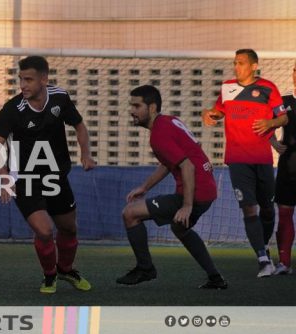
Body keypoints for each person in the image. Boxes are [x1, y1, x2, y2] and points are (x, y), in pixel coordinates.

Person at [0, 55, 95, 294]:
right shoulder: (13, 109)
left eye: (28, 79)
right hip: (25, 179)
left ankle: (65, 269)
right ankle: (49, 276)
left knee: (69, 229)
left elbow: (79, 125)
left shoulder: (60, 97)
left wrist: (86, 153)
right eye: (20, 79)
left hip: (56, 176)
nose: (23, 85)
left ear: (44, 79)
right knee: (45, 230)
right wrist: (4, 178)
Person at [117, 85, 227, 289]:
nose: (132, 110)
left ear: (151, 108)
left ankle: (145, 269)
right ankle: (216, 278)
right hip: (206, 190)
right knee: (180, 228)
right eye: (131, 105)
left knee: (130, 213)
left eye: (136, 105)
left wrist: (187, 205)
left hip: (195, 192)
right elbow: (173, 161)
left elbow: (187, 165)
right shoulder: (170, 121)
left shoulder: (159, 134)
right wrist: (145, 187)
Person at [201, 48, 288, 277]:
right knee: (249, 209)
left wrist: (270, 123)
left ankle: (265, 248)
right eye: (235, 63)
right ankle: (262, 259)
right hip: (237, 159)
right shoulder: (227, 88)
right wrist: (208, 114)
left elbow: (283, 118)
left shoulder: (269, 88)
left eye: (241, 63)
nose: (236, 67)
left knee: (268, 210)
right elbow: (218, 111)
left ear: (254, 66)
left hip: (262, 159)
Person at [271, 60, 296, 275]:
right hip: (288, 167)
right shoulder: (284, 102)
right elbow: (265, 122)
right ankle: (284, 263)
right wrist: (273, 142)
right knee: (285, 213)